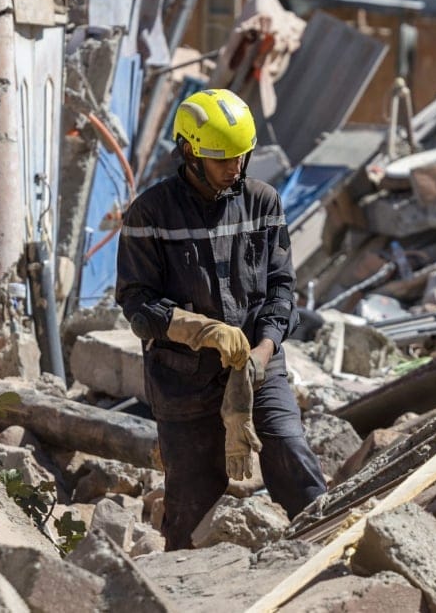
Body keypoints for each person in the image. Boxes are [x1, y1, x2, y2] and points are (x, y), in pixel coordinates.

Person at [115, 88, 328, 550]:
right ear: (189, 152)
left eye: (240, 157)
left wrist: (261, 353)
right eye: (222, 159)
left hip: (257, 366)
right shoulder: (149, 215)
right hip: (182, 380)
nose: (234, 168)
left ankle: (331, 550)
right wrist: (199, 330)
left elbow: (280, 289)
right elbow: (136, 303)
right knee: (192, 502)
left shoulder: (262, 203)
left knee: (291, 454)